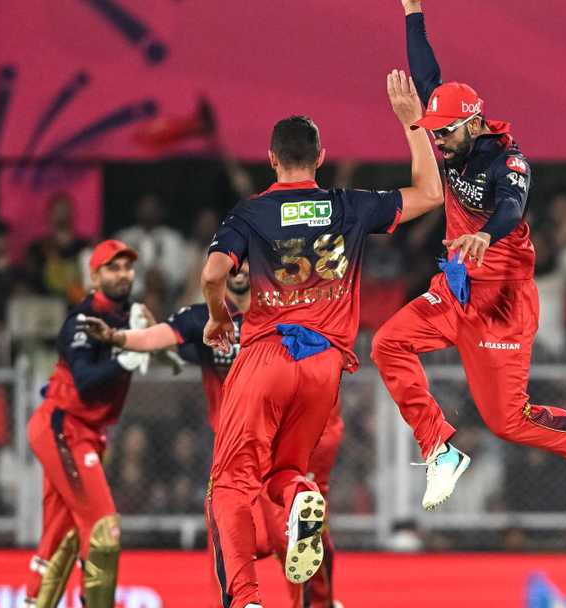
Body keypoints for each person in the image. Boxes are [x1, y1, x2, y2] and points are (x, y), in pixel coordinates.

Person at [173, 71, 441, 608]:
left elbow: (212, 273)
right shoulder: (348, 206)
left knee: (230, 483)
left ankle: (246, 599)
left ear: (272, 159)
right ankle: (300, 498)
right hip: (324, 366)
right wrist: (413, 122)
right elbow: (431, 194)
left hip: (266, 355)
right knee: (288, 472)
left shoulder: (251, 213)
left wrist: (218, 318)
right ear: (320, 158)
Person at [369, 0, 566, 516]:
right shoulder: (451, 133)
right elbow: (427, 73)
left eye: (446, 132)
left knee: (507, 421)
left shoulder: (509, 160)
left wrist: (486, 234)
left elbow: (510, 206)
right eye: (434, 131)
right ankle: (440, 449)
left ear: (475, 123)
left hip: (501, 304)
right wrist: (413, 10)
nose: (438, 140)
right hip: (455, 289)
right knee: (387, 344)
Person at [81, 262, 345, 607]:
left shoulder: (283, 314)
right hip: (253, 450)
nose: (240, 268)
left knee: (240, 529)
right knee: (283, 534)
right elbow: (161, 337)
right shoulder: (207, 319)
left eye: (248, 260)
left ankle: (254, 600)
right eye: (235, 261)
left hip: (263, 449)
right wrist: (118, 337)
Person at [23, 240, 152, 608]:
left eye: (127, 267)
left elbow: (162, 341)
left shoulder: (132, 317)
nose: (123, 274)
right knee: (103, 531)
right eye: (113, 268)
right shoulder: (82, 321)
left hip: (86, 434)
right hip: (63, 428)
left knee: (60, 535)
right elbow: (84, 380)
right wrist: (126, 357)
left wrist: (163, 345)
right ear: (94, 277)